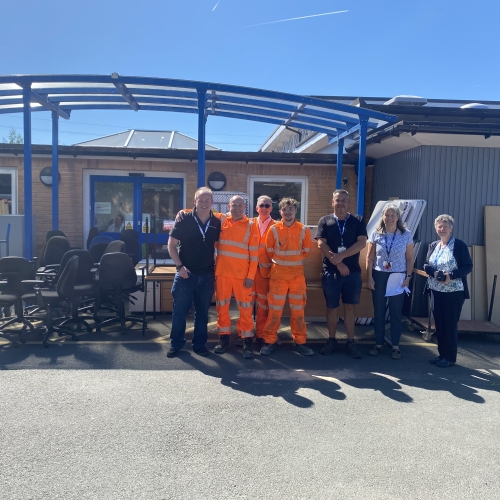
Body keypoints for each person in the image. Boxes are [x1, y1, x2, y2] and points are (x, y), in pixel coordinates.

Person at [166, 187, 221, 358]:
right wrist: (179, 267)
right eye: (200, 200)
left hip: (206, 275)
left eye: (207, 201)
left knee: (202, 313)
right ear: (195, 202)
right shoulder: (184, 219)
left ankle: (199, 344)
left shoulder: (218, 222)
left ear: (212, 202)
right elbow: (171, 245)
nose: (204, 204)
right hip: (185, 274)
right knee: (180, 312)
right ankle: (176, 344)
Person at [316, 189, 367, 359]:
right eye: (338, 200)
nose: (341, 203)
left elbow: (361, 244)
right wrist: (338, 263)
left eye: (344, 200)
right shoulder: (325, 221)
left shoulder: (358, 220)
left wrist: (341, 258)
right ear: (333, 202)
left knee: (350, 307)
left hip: (352, 272)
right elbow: (321, 245)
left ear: (348, 203)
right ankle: (331, 340)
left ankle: (351, 342)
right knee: (331, 308)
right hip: (331, 272)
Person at [260, 198, 313, 356]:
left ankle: (300, 342)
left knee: (298, 312)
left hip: (297, 275)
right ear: (280, 211)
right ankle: (269, 341)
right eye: (284, 210)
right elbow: (269, 250)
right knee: (274, 311)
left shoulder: (303, 230)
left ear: (296, 211)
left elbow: (307, 250)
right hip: (278, 274)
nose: (287, 212)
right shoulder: (274, 229)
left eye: (290, 209)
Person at [366, 203, 414, 359]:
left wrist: (408, 277)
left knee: (395, 312)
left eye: (393, 215)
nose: (390, 218)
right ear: (383, 217)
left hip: (398, 276)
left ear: (398, 217)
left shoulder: (405, 234)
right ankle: (378, 344)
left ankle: (395, 346)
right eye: (387, 215)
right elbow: (370, 257)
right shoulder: (376, 234)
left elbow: (409, 258)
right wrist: (369, 278)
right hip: (379, 275)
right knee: (379, 311)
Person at [213, 195, 259, 359]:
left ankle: (247, 342)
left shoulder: (252, 225)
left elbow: (254, 255)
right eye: (234, 205)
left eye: (240, 205)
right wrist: (183, 212)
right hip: (223, 274)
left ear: (244, 207)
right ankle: (223, 340)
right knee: (222, 309)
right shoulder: (221, 220)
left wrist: (251, 276)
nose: (237, 208)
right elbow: (200, 209)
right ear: (228, 206)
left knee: (246, 310)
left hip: (242, 277)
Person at [424, 214, 472, 368]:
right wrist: (434, 273)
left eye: (445, 226)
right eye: (439, 226)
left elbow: (467, 266)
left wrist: (451, 275)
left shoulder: (459, 246)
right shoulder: (433, 245)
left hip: (453, 292)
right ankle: (441, 355)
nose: (442, 229)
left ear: (451, 228)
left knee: (449, 324)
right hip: (436, 290)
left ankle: (450, 357)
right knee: (439, 324)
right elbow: (426, 264)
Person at [252, 195, 275, 347]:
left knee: (262, 306)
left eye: (267, 205)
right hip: (248, 271)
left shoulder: (276, 226)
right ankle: (245, 334)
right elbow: (221, 215)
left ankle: (261, 335)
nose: (264, 208)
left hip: (265, 272)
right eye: (262, 205)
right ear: (257, 208)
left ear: (271, 208)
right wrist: (185, 211)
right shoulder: (249, 223)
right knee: (246, 304)